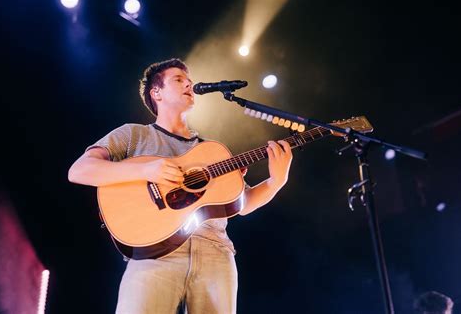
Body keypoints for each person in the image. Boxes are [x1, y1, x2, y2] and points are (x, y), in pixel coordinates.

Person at [68, 58, 293, 313]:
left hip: (215, 252)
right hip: (153, 254)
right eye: (179, 80)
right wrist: (146, 169)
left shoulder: (212, 151)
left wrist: (276, 181)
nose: (189, 84)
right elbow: (79, 170)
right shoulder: (133, 134)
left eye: (189, 81)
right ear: (156, 92)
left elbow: (243, 203)